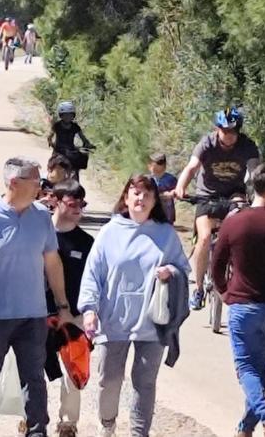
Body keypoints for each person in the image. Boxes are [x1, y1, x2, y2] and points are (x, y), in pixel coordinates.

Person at [0, 157, 76, 437]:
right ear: (13, 183)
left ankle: (37, 432)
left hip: (33, 315)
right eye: (35, 181)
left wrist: (62, 305)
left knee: (34, 379)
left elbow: (52, 262)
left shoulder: (42, 217)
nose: (40, 187)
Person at [78, 175, 189, 437]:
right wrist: (90, 309)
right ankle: (107, 424)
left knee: (145, 383)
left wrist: (170, 272)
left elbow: (183, 269)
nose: (141, 199)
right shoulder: (110, 232)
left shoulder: (166, 234)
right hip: (114, 319)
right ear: (125, 198)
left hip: (153, 322)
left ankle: (140, 432)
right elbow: (93, 273)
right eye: (136, 193)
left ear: (155, 201)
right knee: (109, 379)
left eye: (147, 195)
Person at [212, 162, 265, 437]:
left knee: (246, 368)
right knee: (260, 370)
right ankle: (246, 429)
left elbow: (217, 264)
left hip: (242, 306)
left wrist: (225, 292)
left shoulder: (234, 221)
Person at [174, 106, 262, 311]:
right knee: (204, 237)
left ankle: (239, 280)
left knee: (240, 232)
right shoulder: (207, 143)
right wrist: (180, 186)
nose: (228, 135)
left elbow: (254, 171)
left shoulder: (247, 146)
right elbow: (192, 167)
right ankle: (198, 289)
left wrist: (258, 191)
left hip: (234, 193)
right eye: (224, 130)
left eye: (232, 131)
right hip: (207, 195)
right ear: (217, 129)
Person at [46, 180, 95, 437]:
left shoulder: (86, 242)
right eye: (72, 203)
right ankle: (29, 416)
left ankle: (68, 423)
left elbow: (94, 281)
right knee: (31, 367)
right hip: (39, 313)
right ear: (55, 201)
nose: (78, 209)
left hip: (74, 315)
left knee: (73, 371)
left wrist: (89, 313)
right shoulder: (40, 233)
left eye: (81, 204)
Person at [47, 101, 95, 178]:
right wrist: (52, 144)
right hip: (59, 152)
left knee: (76, 169)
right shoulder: (57, 126)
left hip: (71, 152)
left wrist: (88, 144)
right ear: (61, 115)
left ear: (73, 116)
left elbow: (83, 138)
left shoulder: (75, 127)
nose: (68, 117)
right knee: (53, 171)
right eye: (65, 115)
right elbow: (50, 136)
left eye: (70, 115)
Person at [148, 153, 179, 223]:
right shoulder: (147, 179)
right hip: (151, 213)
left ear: (164, 167)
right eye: (155, 171)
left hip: (167, 213)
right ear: (149, 167)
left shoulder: (170, 179)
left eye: (160, 171)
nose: (157, 174)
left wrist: (172, 193)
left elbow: (178, 191)